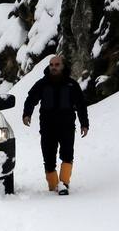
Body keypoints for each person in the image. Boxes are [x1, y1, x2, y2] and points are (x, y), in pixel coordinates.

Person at [22, 54, 89, 195]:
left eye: (57, 64)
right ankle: (53, 186)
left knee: (67, 154)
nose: (53, 67)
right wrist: (27, 114)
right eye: (51, 65)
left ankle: (64, 183)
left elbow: (81, 105)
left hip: (67, 127)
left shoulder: (72, 85)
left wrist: (84, 123)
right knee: (48, 157)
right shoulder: (42, 84)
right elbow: (31, 99)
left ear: (63, 66)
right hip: (47, 128)